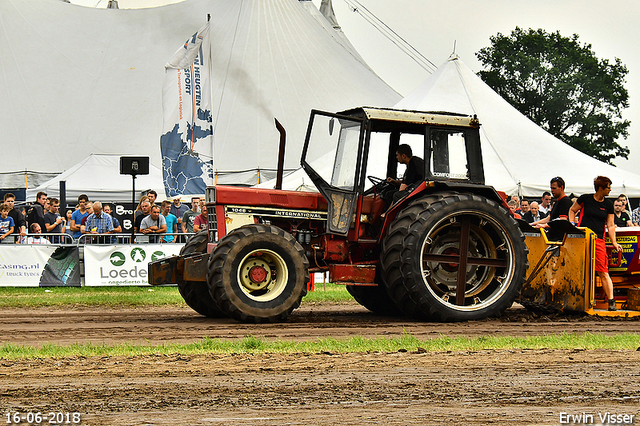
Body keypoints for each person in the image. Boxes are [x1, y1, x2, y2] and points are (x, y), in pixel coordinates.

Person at [569, 176, 622, 311]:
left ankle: (611, 301)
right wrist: (573, 225)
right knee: (578, 269)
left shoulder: (608, 204)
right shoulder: (585, 199)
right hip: (582, 239)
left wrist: (614, 242)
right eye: (608, 187)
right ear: (600, 188)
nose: (610, 190)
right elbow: (572, 210)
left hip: (598, 240)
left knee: (603, 271)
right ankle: (574, 297)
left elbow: (610, 225)